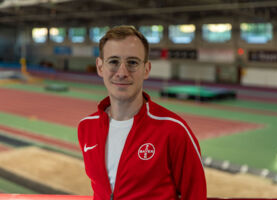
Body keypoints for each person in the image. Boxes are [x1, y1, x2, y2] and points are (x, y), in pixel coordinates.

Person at [78, 25, 207, 200]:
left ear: (146, 69)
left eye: (132, 63)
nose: (122, 73)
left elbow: (195, 195)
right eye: (113, 62)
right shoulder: (86, 127)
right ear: (100, 67)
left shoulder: (174, 131)